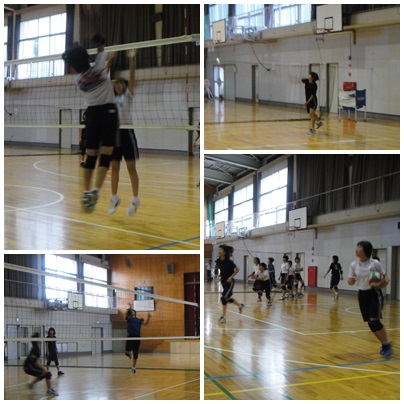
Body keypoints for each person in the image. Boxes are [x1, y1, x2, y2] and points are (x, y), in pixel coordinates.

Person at [62, 34, 118, 212]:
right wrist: (100, 43)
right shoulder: (100, 68)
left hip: (92, 115)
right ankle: (96, 190)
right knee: (106, 154)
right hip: (109, 112)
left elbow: (91, 61)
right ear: (87, 58)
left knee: (91, 155)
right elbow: (102, 50)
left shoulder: (78, 80)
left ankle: (86, 192)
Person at [107, 49, 141, 216]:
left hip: (127, 133)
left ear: (125, 86)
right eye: (117, 84)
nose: (119, 86)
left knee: (131, 168)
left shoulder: (128, 95)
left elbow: (132, 78)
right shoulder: (110, 97)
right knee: (114, 168)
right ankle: (114, 197)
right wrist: (110, 60)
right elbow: (104, 79)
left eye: (121, 84)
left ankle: (135, 200)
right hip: (114, 134)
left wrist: (132, 60)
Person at [347, 241, 392, 356]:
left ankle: (386, 344)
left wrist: (383, 282)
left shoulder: (375, 264)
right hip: (362, 294)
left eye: (359, 247)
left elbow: (385, 278)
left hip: (374, 293)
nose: (356, 249)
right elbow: (350, 281)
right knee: (371, 323)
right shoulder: (354, 265)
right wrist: (351, 281)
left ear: (365, 250)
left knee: (374, 320)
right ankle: (384, 343)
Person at [215, 245, 244, 323]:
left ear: (224, 252)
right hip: (223, 280)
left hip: (229, 281)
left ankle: (223, 317)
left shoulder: (229, 262)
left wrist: (231, 277)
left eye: (220, 250)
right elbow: (221, 269)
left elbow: (237, 269)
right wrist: (220, 275)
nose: (219, 251)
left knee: (224, 298)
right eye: (219, 249)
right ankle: (240, 305)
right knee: (227, 298)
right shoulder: (218, 261)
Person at [125, 303, 150, 375]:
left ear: (135, 313)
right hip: (130, 336)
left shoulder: (138, 320)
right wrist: (129, 307)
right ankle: (129, 354)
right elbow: (127, 314)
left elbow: (146, 323)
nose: (132, 312)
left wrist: (149, 317)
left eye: (133, 311)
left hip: (137, 337)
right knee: (127, 352)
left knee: (135, 354)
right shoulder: (129, 319)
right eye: (131, 311)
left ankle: (133, 367)